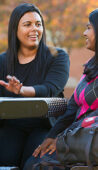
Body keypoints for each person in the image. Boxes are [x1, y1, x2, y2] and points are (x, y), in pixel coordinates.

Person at [0, 3, 70, 169]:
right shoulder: (1, 62)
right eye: (27, 24)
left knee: (35, 162)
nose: (35, 29)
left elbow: (50, 89)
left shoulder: (58, 56)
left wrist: (22, 90)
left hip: (45, 127)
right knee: (1, 156)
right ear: (15, 29)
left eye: (38, 24)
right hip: (10, 127)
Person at [23, 8, 98, 170]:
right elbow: (72, 109)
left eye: (89, 28)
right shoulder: (91, 68)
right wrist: (51, 137)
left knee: (39, 166)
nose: (84, 33)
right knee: (33, 162)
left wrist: (65, 140)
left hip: (90, 144)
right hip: (76, 139)